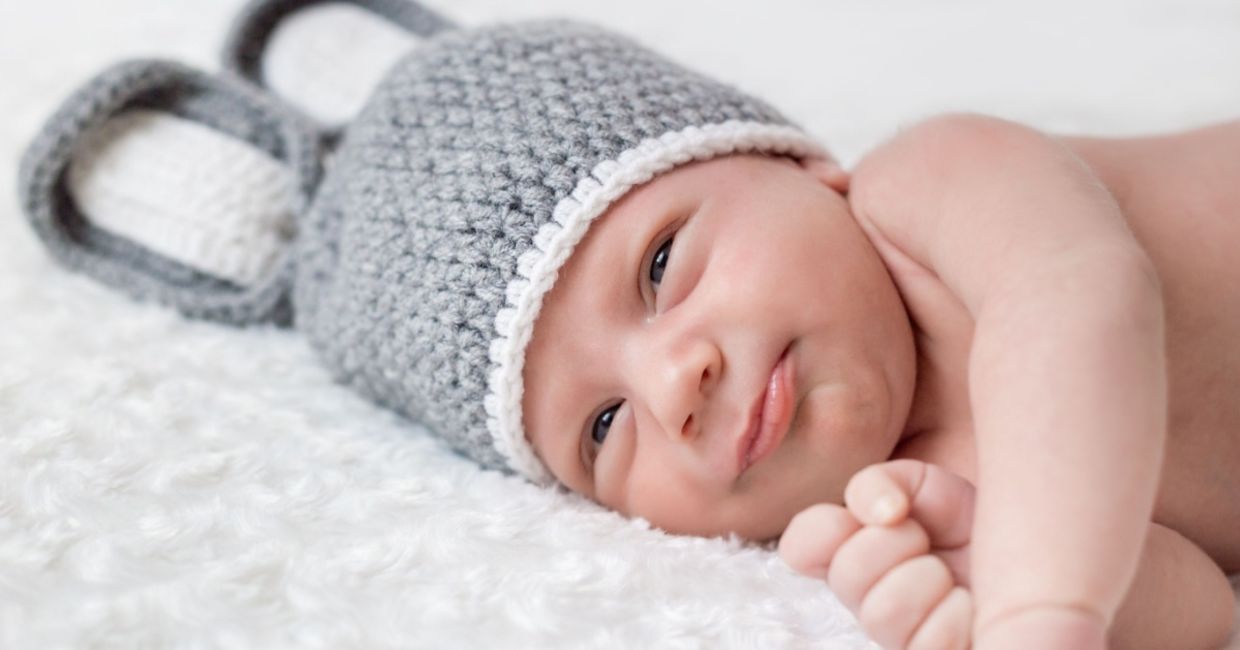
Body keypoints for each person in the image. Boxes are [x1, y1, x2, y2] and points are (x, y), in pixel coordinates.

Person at [18, 1, 1237, 647]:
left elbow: (1079, 306)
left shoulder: (933, 186)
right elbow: (1206, 604)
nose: (674, 383)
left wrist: (1040, 602)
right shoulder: (896, 504)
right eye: (600, 427)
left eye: (660, 264)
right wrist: (976, 593)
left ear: (797, 165)